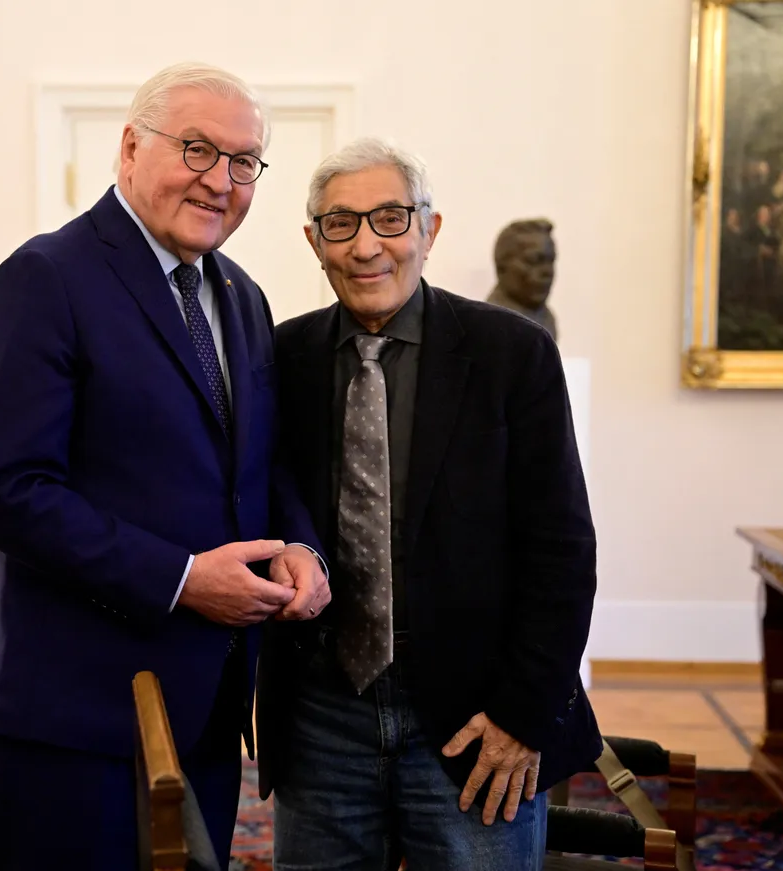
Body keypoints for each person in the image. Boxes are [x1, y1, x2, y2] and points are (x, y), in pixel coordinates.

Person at [0, 61, 329, 871]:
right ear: (129, 147)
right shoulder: (45, 279)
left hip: (208, 706)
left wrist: (301, 545)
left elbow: (259, 464)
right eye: (197, 150)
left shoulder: (242, 295)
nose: (220, 180)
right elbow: (6, 492)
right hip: (73, 712)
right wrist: (183, 577)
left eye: (243, 162)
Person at [256, 137, 601, 871]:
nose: (367, 245)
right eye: (341, 224)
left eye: (390, 217)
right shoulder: (281, 358)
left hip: (476, 716)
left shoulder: (512, 353)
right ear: (314, 242)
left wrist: (521, 716)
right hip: (323, 712)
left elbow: (561, 550)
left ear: (429, 229)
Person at [485, 217, 558, 339]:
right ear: (501, 266)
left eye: (551, 261)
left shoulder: (547, 318)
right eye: (533, 260)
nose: (547, 271)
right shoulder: (493, 323)